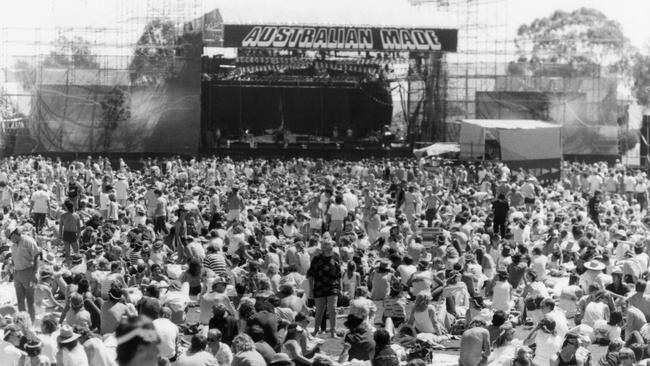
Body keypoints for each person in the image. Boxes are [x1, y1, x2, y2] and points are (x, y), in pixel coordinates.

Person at [307, 239, 341, 338]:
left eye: (329, 246)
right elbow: (310, 275)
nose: (328, 248)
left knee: (333, 309)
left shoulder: (336, 257)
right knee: (319, 311)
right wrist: (311, 289)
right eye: (325, 246)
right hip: (319, 287)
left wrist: (341, 288)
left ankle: (333, 332)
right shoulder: (316, 259)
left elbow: (339, 275)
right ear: (322, 248)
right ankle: (316, 330)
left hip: (333, 286)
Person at [7, 226, 40, 322]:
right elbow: (14, 259)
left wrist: (35, 273)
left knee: (30, 300)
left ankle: (32, 322)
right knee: (20, 300)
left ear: (14, 234)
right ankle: (24, 323)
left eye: (10, 237)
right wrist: (12, 266)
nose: (10, 240)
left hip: (29, 272)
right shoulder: (13, 245)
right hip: (17, 274)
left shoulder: (28, 241)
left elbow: (37, 256)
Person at [60, 200, 82, 266]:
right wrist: (78, 235)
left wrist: (60, 235)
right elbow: (79, 228)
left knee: (67, 252)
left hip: (66, 234)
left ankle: (68, 264)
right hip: (73, 234)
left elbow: (60, 227)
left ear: (67, 207)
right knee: (77, 252)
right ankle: (78, 265)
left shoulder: (63, 215)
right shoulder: (77, 216)